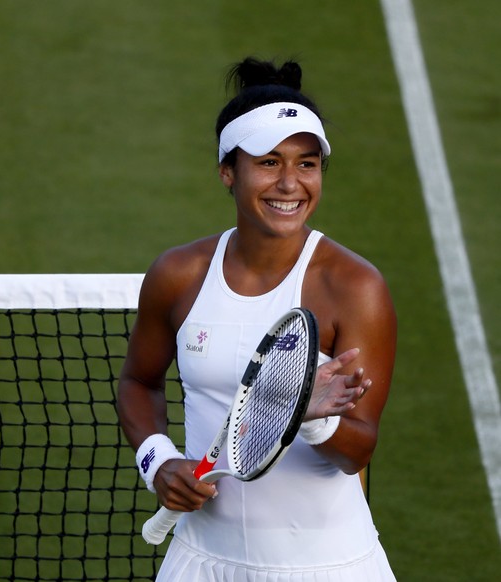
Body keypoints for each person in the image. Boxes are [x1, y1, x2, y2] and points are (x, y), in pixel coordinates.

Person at [118, 56, 398, 581]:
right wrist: (158, 461)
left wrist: (311, 418)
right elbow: (139, 381)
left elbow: (358, 449)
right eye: (269, 162)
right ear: (228, 172)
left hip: (325, 566)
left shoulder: (356, 287)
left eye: (307, 163)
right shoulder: (177, 274)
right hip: (201, 559)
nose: (290, 183)